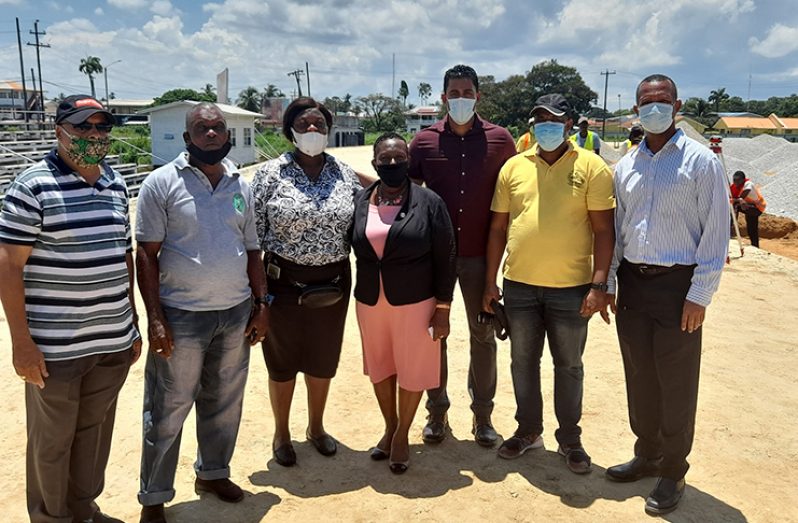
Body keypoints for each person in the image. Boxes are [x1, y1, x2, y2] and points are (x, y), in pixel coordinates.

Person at [0, 94, 141, 523]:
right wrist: (21, 344)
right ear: (60, 130)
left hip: (112, 341)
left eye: (101, 128)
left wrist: (132, 322)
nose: (94, 136)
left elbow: (124, 255)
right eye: (83, 127)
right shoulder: (32, 186)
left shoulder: (115, 182)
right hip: (56, 349)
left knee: (93, 435)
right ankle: (51, 517)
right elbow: (9, 266)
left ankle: (84, 509)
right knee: (53, 441)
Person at [136, 102, 268, 523]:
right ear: (187, 135)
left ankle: (213, 473)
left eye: (217, 128)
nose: (210, 134)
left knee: (224, 401)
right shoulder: (161, 183)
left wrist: (261, 305)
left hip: (234, 313)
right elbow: (146, 254)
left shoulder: (238, 184)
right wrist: (155, 317)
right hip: (182, 317)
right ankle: (154, 497)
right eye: (201, 128)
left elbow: (252, 250)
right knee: (168, 406)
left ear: (227, 135)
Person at [605, 74, 730, 516]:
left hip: (678, 286)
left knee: (676, 381)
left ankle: (673, 470)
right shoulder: (626, 166)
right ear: (635, 109)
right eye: (645, 102)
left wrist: (700, 294)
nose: (652, 108)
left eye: (661, 101)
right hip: (634, 285)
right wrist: (610, 282)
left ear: (677, 106)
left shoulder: (701, 162)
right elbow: (619, 231)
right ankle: (648, 453)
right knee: (639, 373)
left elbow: (716, 234)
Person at [483, 93, 615, 474]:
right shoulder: (513, 167)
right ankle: (528, 430)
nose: (547, 126)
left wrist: (599, 285)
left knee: (569, 365)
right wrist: (491, 283)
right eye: (540, 119)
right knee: (523, 361)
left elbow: (604, 230)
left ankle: (570, 439)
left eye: (554, 120)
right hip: (520, 285)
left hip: (572, 288)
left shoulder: (592, 167)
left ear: (570, 124)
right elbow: (497, 228)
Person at [251, 97, 370, 468]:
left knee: (323, 358)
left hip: (333, 282)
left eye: (319, 123)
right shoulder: (269, 175)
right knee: (282, 361)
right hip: (281, 283)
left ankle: (316, 428)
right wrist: (257, 299)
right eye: (304, 124)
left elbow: (380, 194)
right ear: (290, 131)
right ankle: (282, 433)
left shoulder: (344, 173)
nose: (312, 130)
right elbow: (251, 239)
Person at [409, 64, 517, 448]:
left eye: (466, 92)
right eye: (453, 94)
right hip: (433, 258)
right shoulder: (423, 142)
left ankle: (483, 416)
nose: (460, 99)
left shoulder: (501, 141)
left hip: (479, 257)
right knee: (432, 336)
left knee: (482, 336)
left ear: (478, 95)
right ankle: (436, 413)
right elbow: (408, 196)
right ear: (443, 98)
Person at [352, 132, 456, 474]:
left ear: (409, 162)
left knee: (413, 370)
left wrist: (443, 309)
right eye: (386, 160)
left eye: (399, 159)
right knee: (381, 366)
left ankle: (401, 436)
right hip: (370, 301)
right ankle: (389, 425)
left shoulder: (429, 202)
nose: (393, 165)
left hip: (416, 302)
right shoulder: (362, 199)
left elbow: (446, 256)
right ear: (374, 164)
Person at [730, 170, 766, 248]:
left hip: (757, 208)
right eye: (734, 180)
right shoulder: (734, 187)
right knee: (751, 228)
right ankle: (755, 246)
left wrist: (737, 200)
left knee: (736, 204)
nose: (735, 182)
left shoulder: (748, 184)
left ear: (743, 180)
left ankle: (731, 227)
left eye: (738, 180)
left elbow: (741, 197)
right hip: (749, 207)